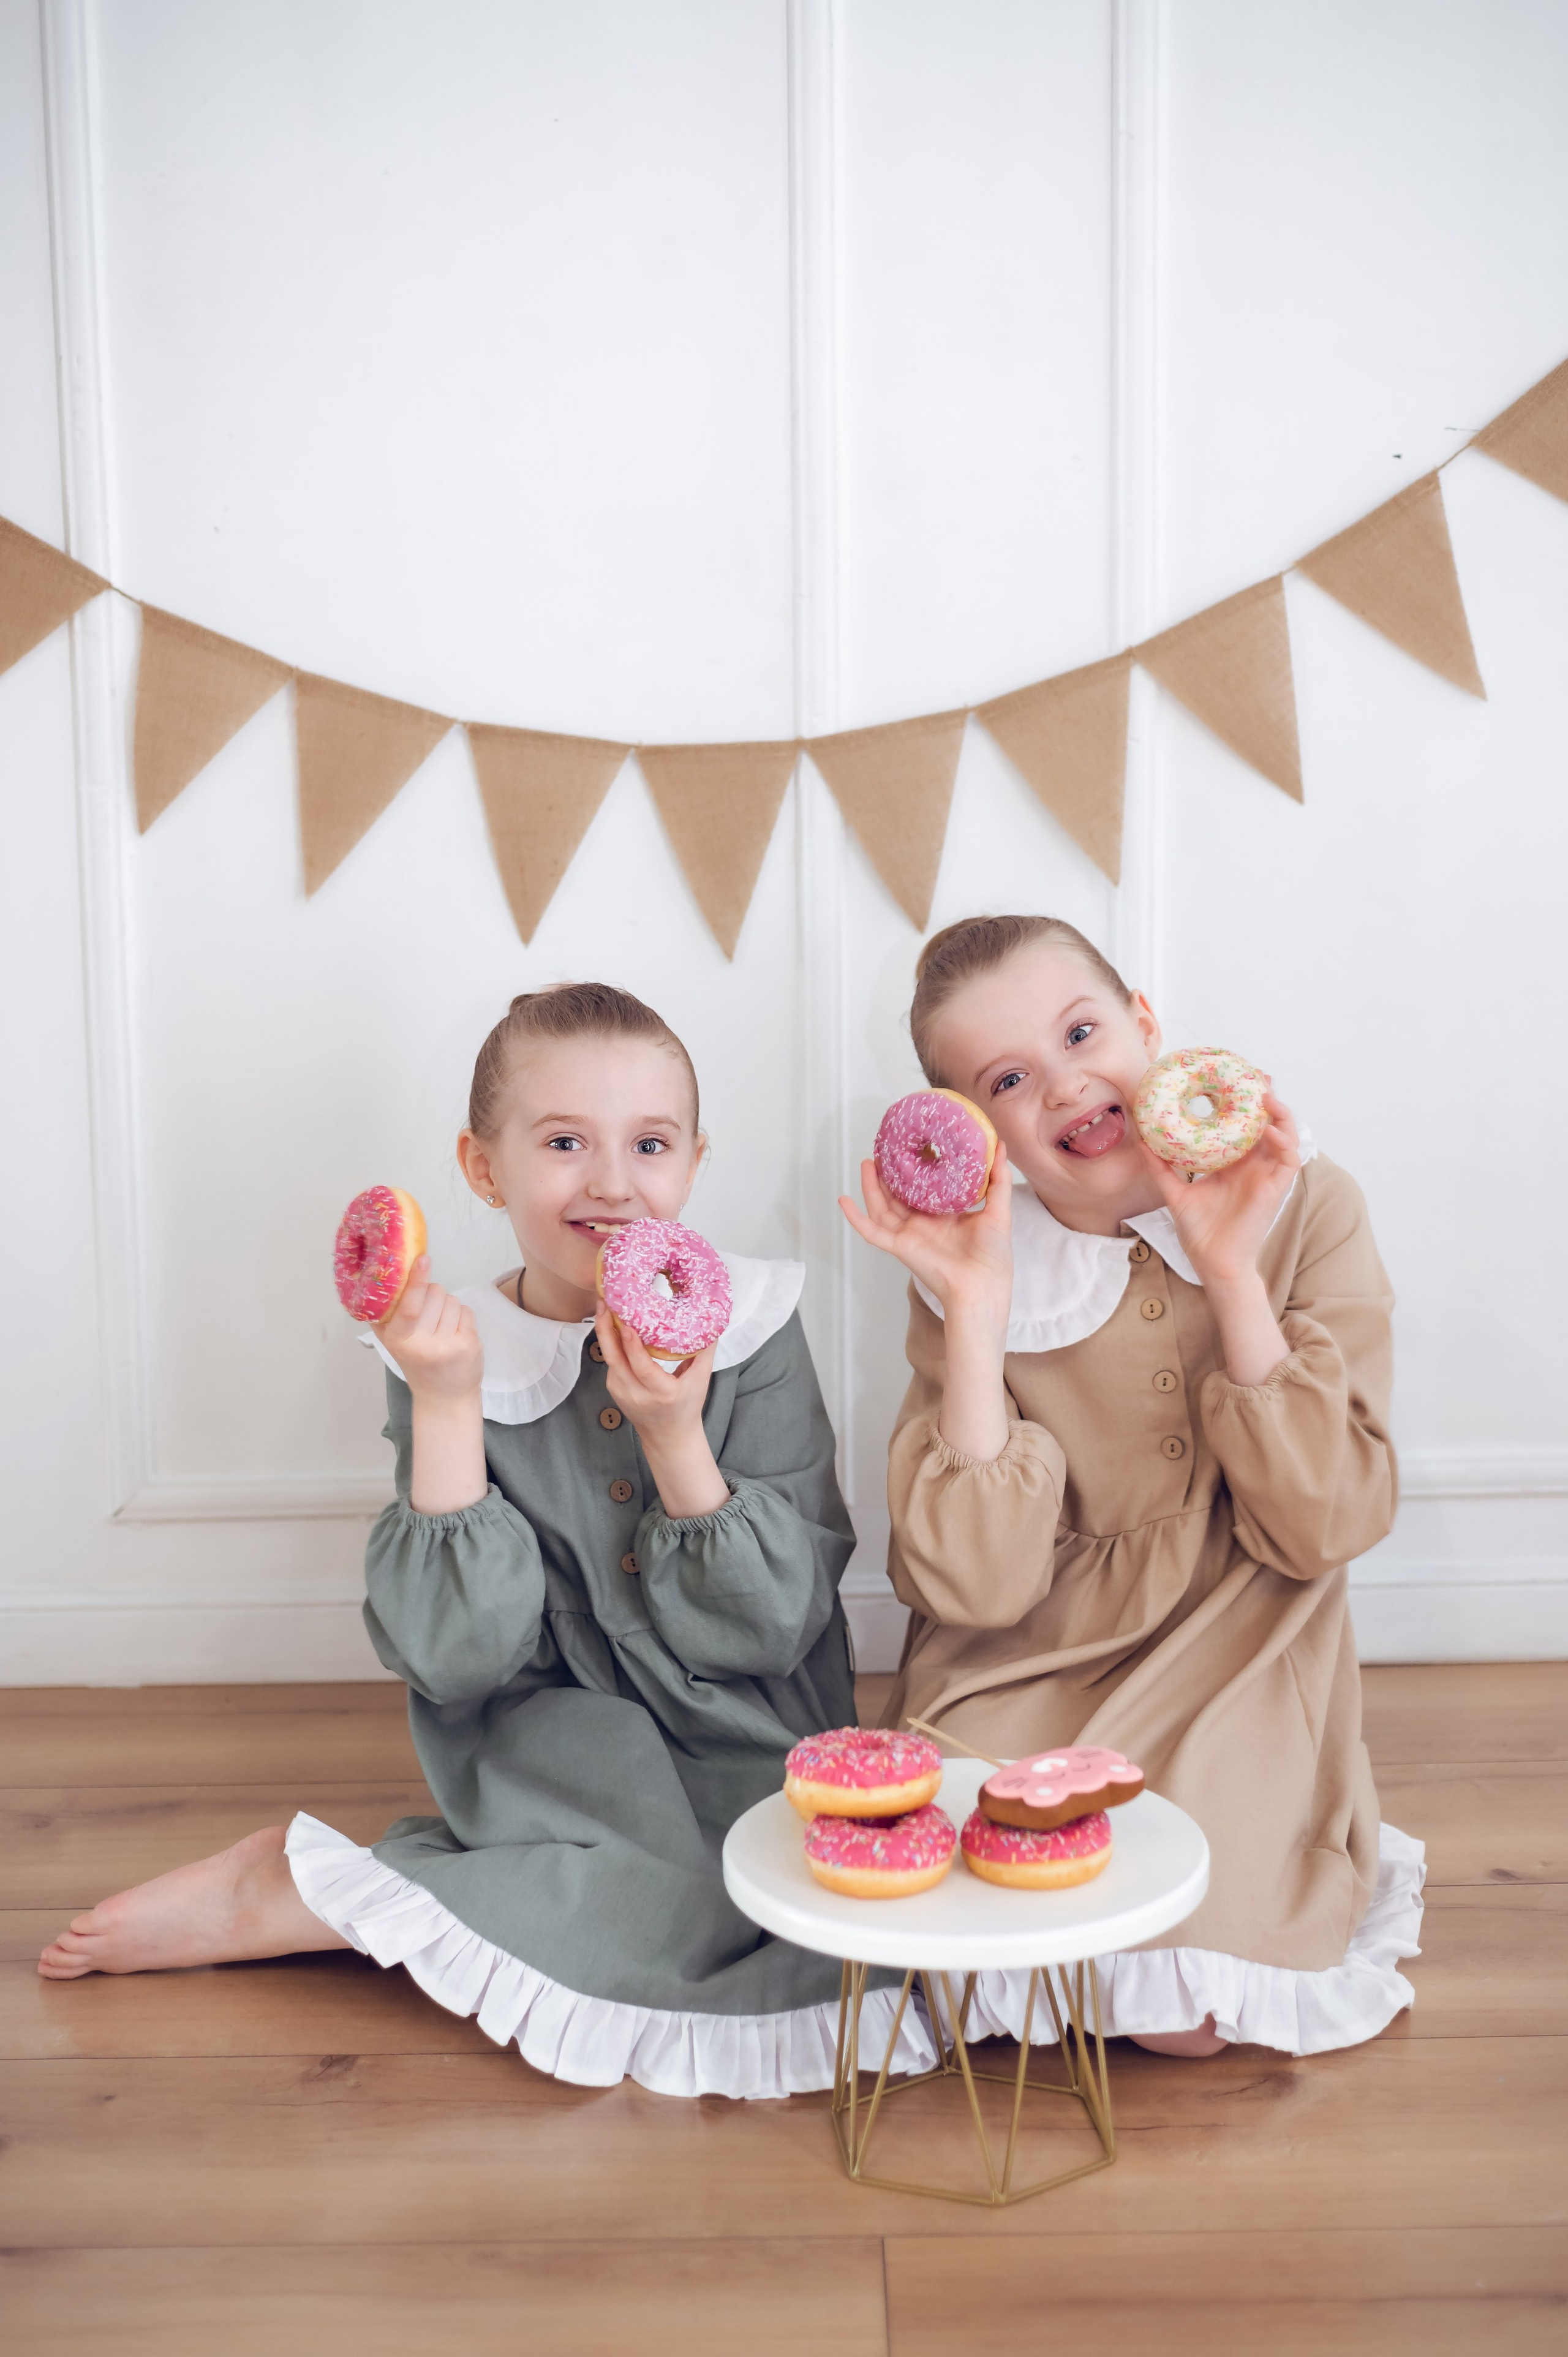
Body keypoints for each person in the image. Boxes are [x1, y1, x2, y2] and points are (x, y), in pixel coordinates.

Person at [40, 982, 922, 2099]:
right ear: (481, 1165)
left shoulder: (754, 1327)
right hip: (555, 1737)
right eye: (563, 1141)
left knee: (811, 1909)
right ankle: (292, 1896)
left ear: (695, 1161)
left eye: (649, 1143)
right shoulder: (449, 1344)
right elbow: (457, 1660)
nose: (611, 1180)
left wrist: (674, 1436)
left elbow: (774, 1628)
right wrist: (452, 1404)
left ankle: (344, 1894)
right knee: (670, 1894)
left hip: (749, 1718)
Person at [841, 914, 1423, 2057]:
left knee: (1190, 2007)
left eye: (1081, 1032)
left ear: (1144, 1025)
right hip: (1030, 1651)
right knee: (963, 1929)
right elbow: (976, 1587)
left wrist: (1228, 1272)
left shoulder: (1305, 1199)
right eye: (1010, 1078)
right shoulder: (973, 1260)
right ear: (976, 1131)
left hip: (1244, 1639)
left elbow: (1326, 1525)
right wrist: (976, 1316)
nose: (1064, 1087)